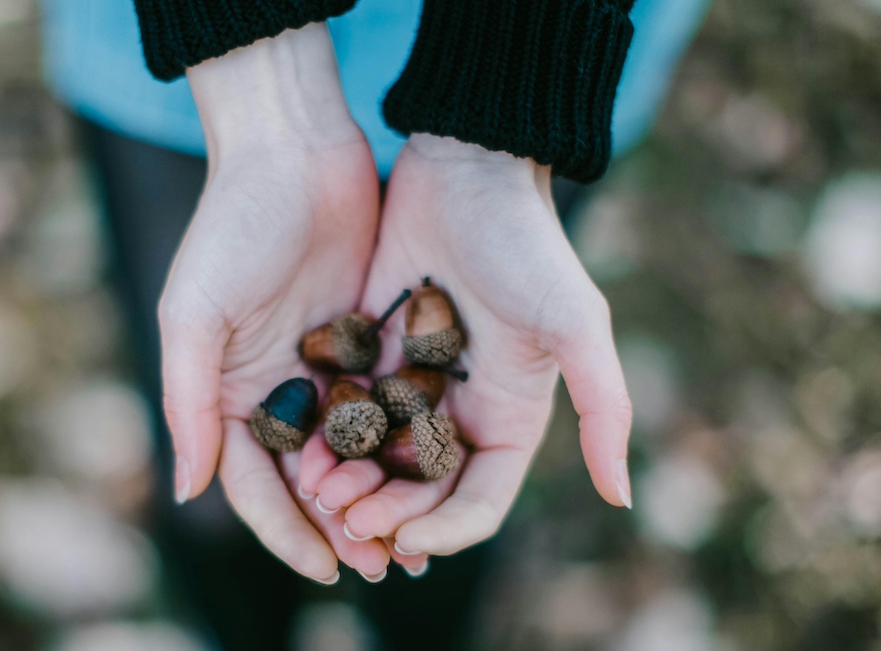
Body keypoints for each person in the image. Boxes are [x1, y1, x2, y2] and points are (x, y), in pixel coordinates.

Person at [40, 0, 710, 647]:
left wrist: (500, 131)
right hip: (194, 43)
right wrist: (264, 98)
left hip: (540, 50)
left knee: (431, 532)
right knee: (214, 487)